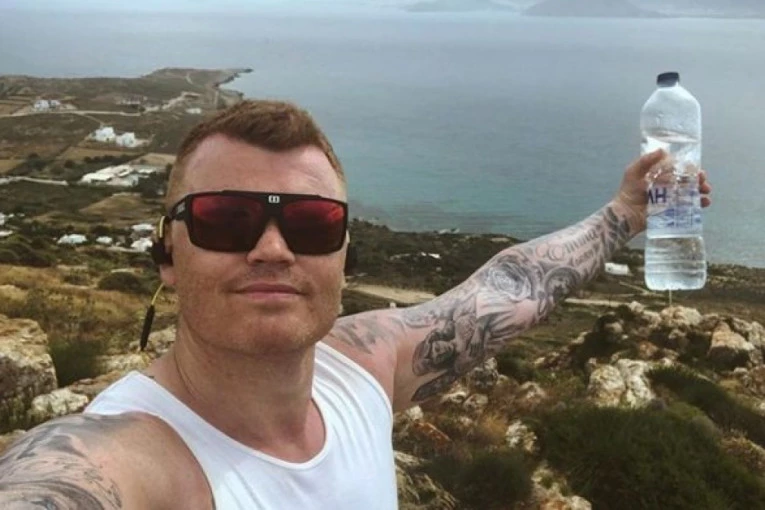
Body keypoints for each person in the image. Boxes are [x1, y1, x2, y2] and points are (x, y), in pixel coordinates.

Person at [0, 99, 711, 509]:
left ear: (343, 255)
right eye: (226, 219)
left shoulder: (362, 371)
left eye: (311, 224)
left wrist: (624, 213)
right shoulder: (134, 454)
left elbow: (511, 289)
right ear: (166, 256)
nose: (273, 249)